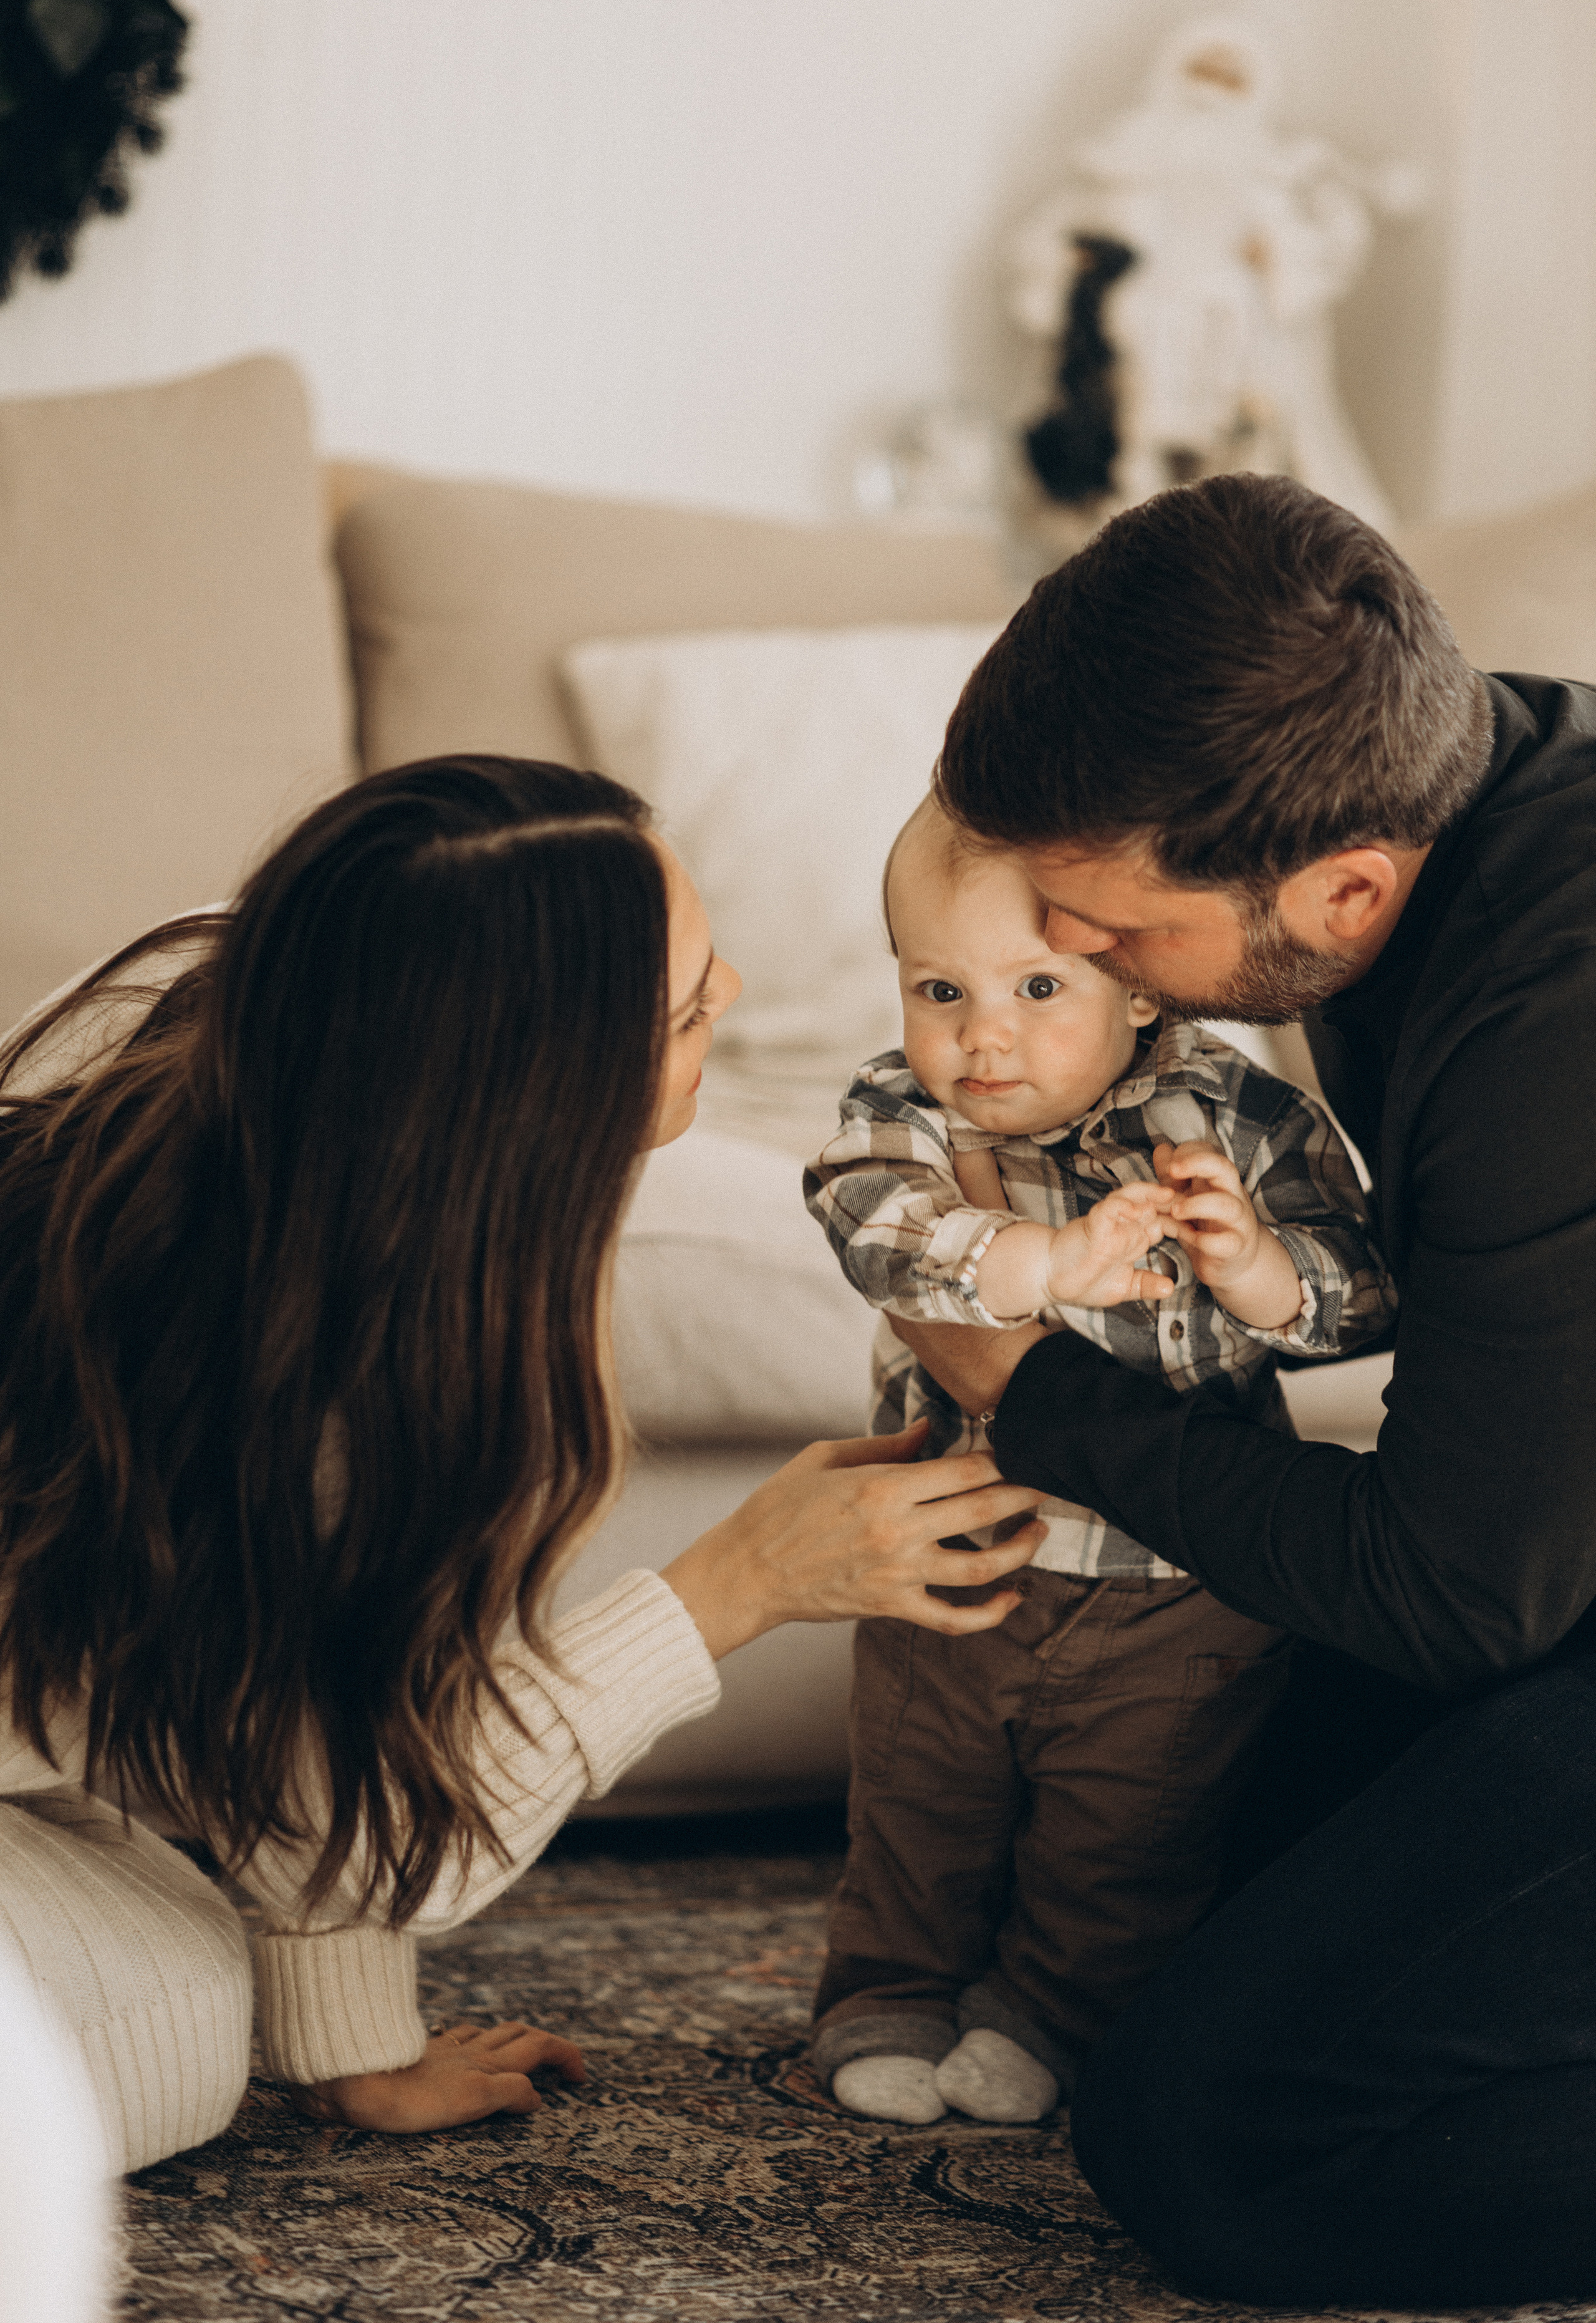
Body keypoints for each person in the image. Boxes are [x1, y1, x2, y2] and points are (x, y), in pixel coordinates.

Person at [0, 756, 1048, 2178]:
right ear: (539, 1107)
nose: (730, 992)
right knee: (178, 2023)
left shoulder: (220, 992)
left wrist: (350, 2045)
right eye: (685, 1007)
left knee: (166, 1918)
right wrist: (736, 1584)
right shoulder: (352, 1382)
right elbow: (389, 1840)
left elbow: (317, 1718)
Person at [899, 469, 1596, 2307]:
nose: (1092, 971)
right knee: (1207, 1870)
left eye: (1114, 938)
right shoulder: (1453, 793)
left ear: (1341, 888)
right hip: (1560, 1549)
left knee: (1212, 2143)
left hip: (1528, 1582)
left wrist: (1040, 1398)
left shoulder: (1558, 1006)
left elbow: (1458, 1593)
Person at [801, 798, 1394, 2127]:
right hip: (954, 1551)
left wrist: (1249, 1266)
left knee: (1128, 1829)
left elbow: (1362, 1298)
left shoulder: (1240, 1116)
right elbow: (868, 1223)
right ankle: (887, 1992)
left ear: (1132, 990)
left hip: (1167, 1585)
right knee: (918, 1799)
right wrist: (1037, 1265)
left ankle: (1047, 2015)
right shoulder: (899, 1109)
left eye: (1035, 987)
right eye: (937, 988)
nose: (982, 1034)